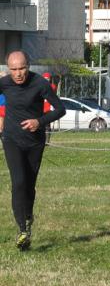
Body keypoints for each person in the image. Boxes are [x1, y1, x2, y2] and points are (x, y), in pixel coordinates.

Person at [0, 50, 65, 250]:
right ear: (8, 69)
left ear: (28, 66)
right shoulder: (4, 83)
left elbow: (60, 109)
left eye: (22, 68)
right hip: (11, 139)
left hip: (35, 142)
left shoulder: (40, 84)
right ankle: (22, 230)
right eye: (14, 69)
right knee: (18, 182)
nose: (18, 73)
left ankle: (28, 217)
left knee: (29, 184)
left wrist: (40, 121)